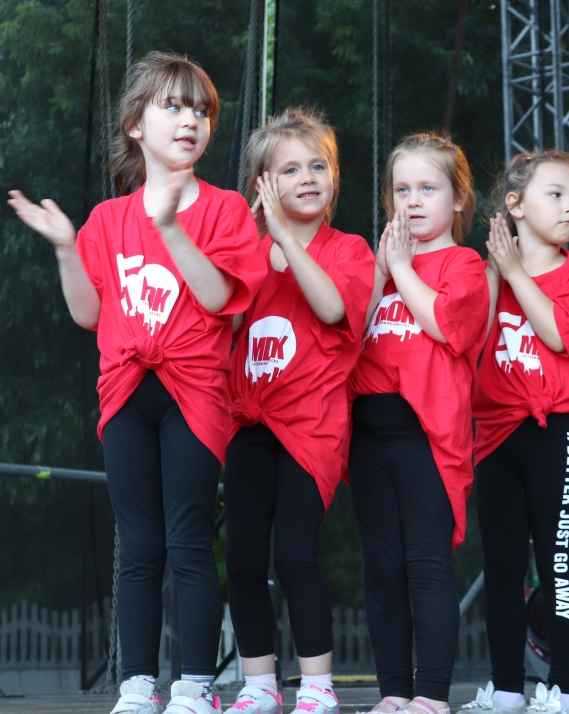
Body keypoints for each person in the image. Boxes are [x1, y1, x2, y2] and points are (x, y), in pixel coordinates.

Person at [8, 51, 266, 714]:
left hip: (194, 392)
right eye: (172, 106)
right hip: (125, 391)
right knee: (138, 544)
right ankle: (137, 683)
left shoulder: (226, 209)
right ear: (135, 126)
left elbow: (219, 298)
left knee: (188, 537)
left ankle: (196, 685)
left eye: (201, 110)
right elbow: (88, 313)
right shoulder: (107, 219)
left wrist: (172, 229)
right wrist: (66, 247)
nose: (190, 121)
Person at [221, 109, 375, 714]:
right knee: (242, 558)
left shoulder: (350, 250)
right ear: (263, 184)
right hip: (250, 424)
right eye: (290, 170)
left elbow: (332, 308)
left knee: (294, 554)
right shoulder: (251, 253)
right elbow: (227, 323)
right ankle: (259, 684)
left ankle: (317, 685)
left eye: (318, 166)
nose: (308, 177)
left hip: (311, 429)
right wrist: (252, 243)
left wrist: (285, 238)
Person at [347, 132, 490, 714]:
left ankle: (430, 694)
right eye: (401, 190)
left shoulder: (464, 264)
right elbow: (345, 339)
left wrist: (402, 270)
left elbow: (446, 325)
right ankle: (393, 693)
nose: (412, 201)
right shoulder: (378, 265)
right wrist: (380, 276)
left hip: (425, 436)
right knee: (381, 568)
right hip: (367, 434)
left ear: (458, 199)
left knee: (425, 564)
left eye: (427, 188)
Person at [463, 151, 569, 714]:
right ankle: (506, 692)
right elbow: (469, 345)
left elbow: (561, 335)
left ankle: (565, 692)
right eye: (556, 194)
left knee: (558, 561)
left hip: (557, 432)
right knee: (501, 567)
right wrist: (495, 275)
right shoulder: (487, 272)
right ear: (515, 205)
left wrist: (516, 273)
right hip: (496, 435)